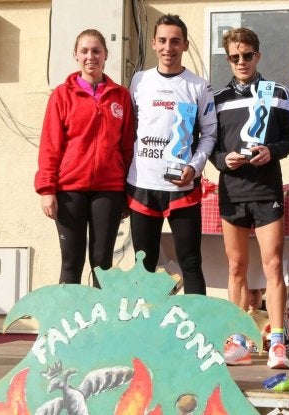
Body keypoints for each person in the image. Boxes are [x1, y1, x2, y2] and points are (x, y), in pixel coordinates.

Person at [210, 28, 289, 369]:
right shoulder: (217, 98)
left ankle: (277, 342)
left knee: (273, 265)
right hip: (233, 191)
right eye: (234, 57)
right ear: (228, 59)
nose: (241, 62)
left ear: (257, 55)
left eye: (247, 55)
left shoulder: (278, 92)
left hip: (266, 191)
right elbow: (210, 145)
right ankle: (238, 340)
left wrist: (271, 151)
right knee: (236, 267)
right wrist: (222, 160)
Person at [35, 29, 135, 286]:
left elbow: (127, 147)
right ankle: (69, 313)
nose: (91, 56)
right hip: (69, 190)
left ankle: (101, 314)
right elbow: (50, 145)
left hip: (109, 190)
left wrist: (127, 192)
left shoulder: (121, 96)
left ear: (106, 55)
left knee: (103, 263)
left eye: (96, 51)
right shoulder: (61, 95)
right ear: (76, 55)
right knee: (71, 261)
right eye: (85, 51)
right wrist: (47, 189)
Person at [126, 14, 217, 295]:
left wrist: (195, 167)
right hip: (143, 186)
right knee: (144, 267)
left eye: (175, 41)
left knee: (190, 263)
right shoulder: (139, 80)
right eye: (163, 41)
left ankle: (197, 322)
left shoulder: (199, 86)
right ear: (153, 43)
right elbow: (128, 130)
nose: (169, 48)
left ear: (185, 45)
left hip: (182, 188)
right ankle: (143, 322)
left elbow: (209, 135)